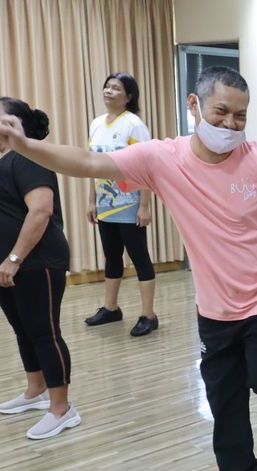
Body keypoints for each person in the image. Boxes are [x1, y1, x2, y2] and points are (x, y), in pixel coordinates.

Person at [0, 66, 257, 471]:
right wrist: (25, 146)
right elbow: (88, 164)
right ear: (194, 105)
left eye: (240, 116)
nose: (230, 124)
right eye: (221, 112)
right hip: (215, 302)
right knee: (223, 394)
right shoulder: (163, 158)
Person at [0, 97, 80, 440]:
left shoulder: (29, 157)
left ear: (16, 124)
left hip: (36, 261)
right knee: (23, 330)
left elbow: (40, 210)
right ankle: (36, 391)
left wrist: (14, 259)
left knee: (44, 332)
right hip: (3, 263)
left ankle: (62, 409)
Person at [84, 72, 159, 336]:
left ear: (128, 96)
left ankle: (148, 315)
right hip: (105, 202)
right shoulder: (96, 123)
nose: (109, 91)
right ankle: (111, 308)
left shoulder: (134, 124)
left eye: (116, 88)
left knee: (139, 257)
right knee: (112, 256)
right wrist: (92, 200)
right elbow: (92, 165)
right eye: (107, 87)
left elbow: (147, 167)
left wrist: (144, 206)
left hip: (129, 202)